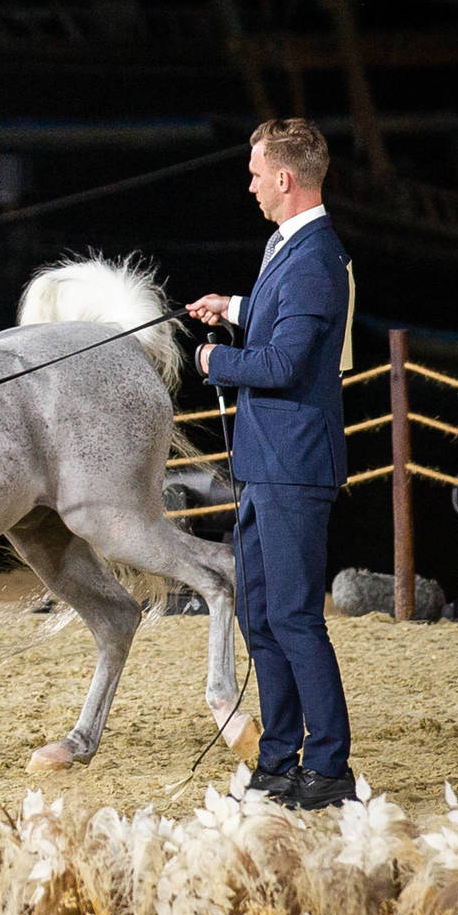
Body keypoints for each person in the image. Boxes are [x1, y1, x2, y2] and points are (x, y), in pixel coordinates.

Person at [186, 118, 358, 812]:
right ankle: (278, 759)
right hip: (264, 463)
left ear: (285, 179)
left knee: (294, 618)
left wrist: (212, 360)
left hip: (294, 466)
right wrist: (235, 307)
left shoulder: (317, 259)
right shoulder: (287, 248)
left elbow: (286, 364)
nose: (251, 184)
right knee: (262, 617)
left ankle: (329, 767)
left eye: (257, 173)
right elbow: (281, 315)